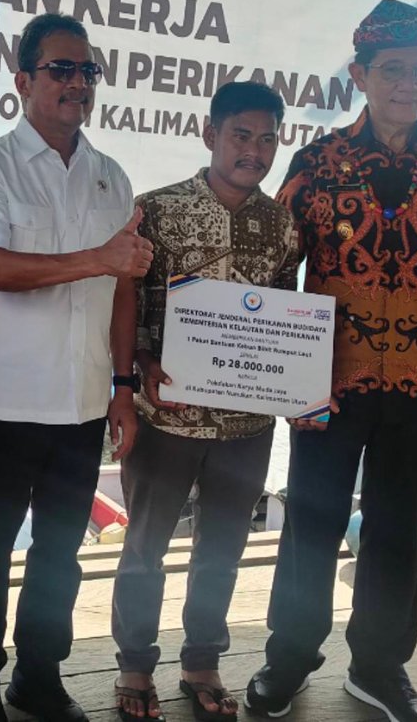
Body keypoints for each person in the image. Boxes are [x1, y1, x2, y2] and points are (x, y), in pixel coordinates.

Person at [248, 0, 417, 722]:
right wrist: (276, 366)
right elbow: (274, 265)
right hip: (328, 380)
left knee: (398, 527)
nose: (408, 84)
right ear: (360, 75)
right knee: (312, 521)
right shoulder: (317, 163)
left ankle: (378, 669)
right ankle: (289, 658)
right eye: (393, 70)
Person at [0, 13, 152, 722]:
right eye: (60, 69)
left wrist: (123, 388)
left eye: (87, 71)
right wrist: (97, 258)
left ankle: (38, 676)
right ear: (23, 80)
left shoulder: (110, 177)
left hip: (84, 401)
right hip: (6, 401)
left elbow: (122, 293)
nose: (77, 83)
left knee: (61, 553)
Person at [110, 82, 301, 722]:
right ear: (210, 134)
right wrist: (138, 368)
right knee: (145, 547)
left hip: (247, 422)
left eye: (267, 139)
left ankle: (202, 663)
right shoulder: (155, 210)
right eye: (241, 135)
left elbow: (285, 318)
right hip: (167, 412)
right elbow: (129, 300)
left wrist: (294, 382)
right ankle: (135, 665)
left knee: (222, 550)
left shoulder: (282, 225)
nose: (254, 151)